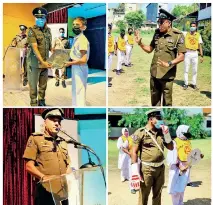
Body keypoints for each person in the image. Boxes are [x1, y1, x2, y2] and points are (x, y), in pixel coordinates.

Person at [135, 9, 186, 106]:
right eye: (159, 22)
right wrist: (140, 44)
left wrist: (169, 63)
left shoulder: (178, 35)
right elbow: (150, 49)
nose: (159, 24)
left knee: (167, 104)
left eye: (162, 22)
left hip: (167, 75)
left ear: (169, 23)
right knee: (155, 102)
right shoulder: (157, 33)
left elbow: (182, 56)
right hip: (154, 74)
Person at [23, 108, 71, 205]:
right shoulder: (35, 139)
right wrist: (43, 177)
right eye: (53, 120)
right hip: (46, 191)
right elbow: (29, 166)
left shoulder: (62, 142)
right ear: (45, 122)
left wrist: (68, 175)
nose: (57, 123)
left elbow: (68, 164)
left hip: (63, 192)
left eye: (59, 121)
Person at [131, 109, 173, 205]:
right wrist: (134, 170)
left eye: (161, 118)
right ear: (151, 119)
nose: (161, 120)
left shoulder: (162, 132)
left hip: (160, 168)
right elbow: (134, 151)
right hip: (147, 169)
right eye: (158, 118)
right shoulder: (140, 132)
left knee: (157, 195)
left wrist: (167, 134)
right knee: (144, 195)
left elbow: (170, 147)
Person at [167, 125, 204, 205]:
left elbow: (190, 154)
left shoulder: (188, 141)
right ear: (180, 132)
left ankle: (180, 203)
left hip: (186, 166)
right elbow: (172, 156)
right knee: (176, 188)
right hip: (177, 167)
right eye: (186, 132)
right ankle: (176, 203)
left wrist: (198, 155)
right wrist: (179, 166)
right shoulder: (175, 142)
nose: (187, 134)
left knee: (182, 186)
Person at [27, 7, 53, 106]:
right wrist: (42, 62)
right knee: (33, 86)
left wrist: (58, 53)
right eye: (37, 18)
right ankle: (33, 102)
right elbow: (34, 48)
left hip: (45, 63)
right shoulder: (31, 31)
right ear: (35, 18)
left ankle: (41, 101)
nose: (40, 20)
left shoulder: (48, 31)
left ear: (45, 18)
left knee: (43, 85)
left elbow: (49, 46)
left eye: (42, 17)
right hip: (34, 64)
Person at [64, 17, 90, 106]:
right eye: (74, 24)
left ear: (84, 27)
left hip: (80, 67)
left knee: (79, 93)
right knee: (75, 91)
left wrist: (69, 63)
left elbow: (83, 59)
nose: (75, 26)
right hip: (76, 66)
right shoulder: (77, 38)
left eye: (78, 25)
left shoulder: (82, 39)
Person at [183, 22, 204, 90]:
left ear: (196, 27)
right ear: (190, 27)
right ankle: (186, 84)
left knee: (195, 70)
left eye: (194, 26)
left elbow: (200, 46)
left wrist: (201, 56)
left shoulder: (198, 35)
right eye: (191, 26)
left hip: (195, 53)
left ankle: (193, 83)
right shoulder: (186, 34)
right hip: (187, 53)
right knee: (186, 69)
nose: (192, 27)